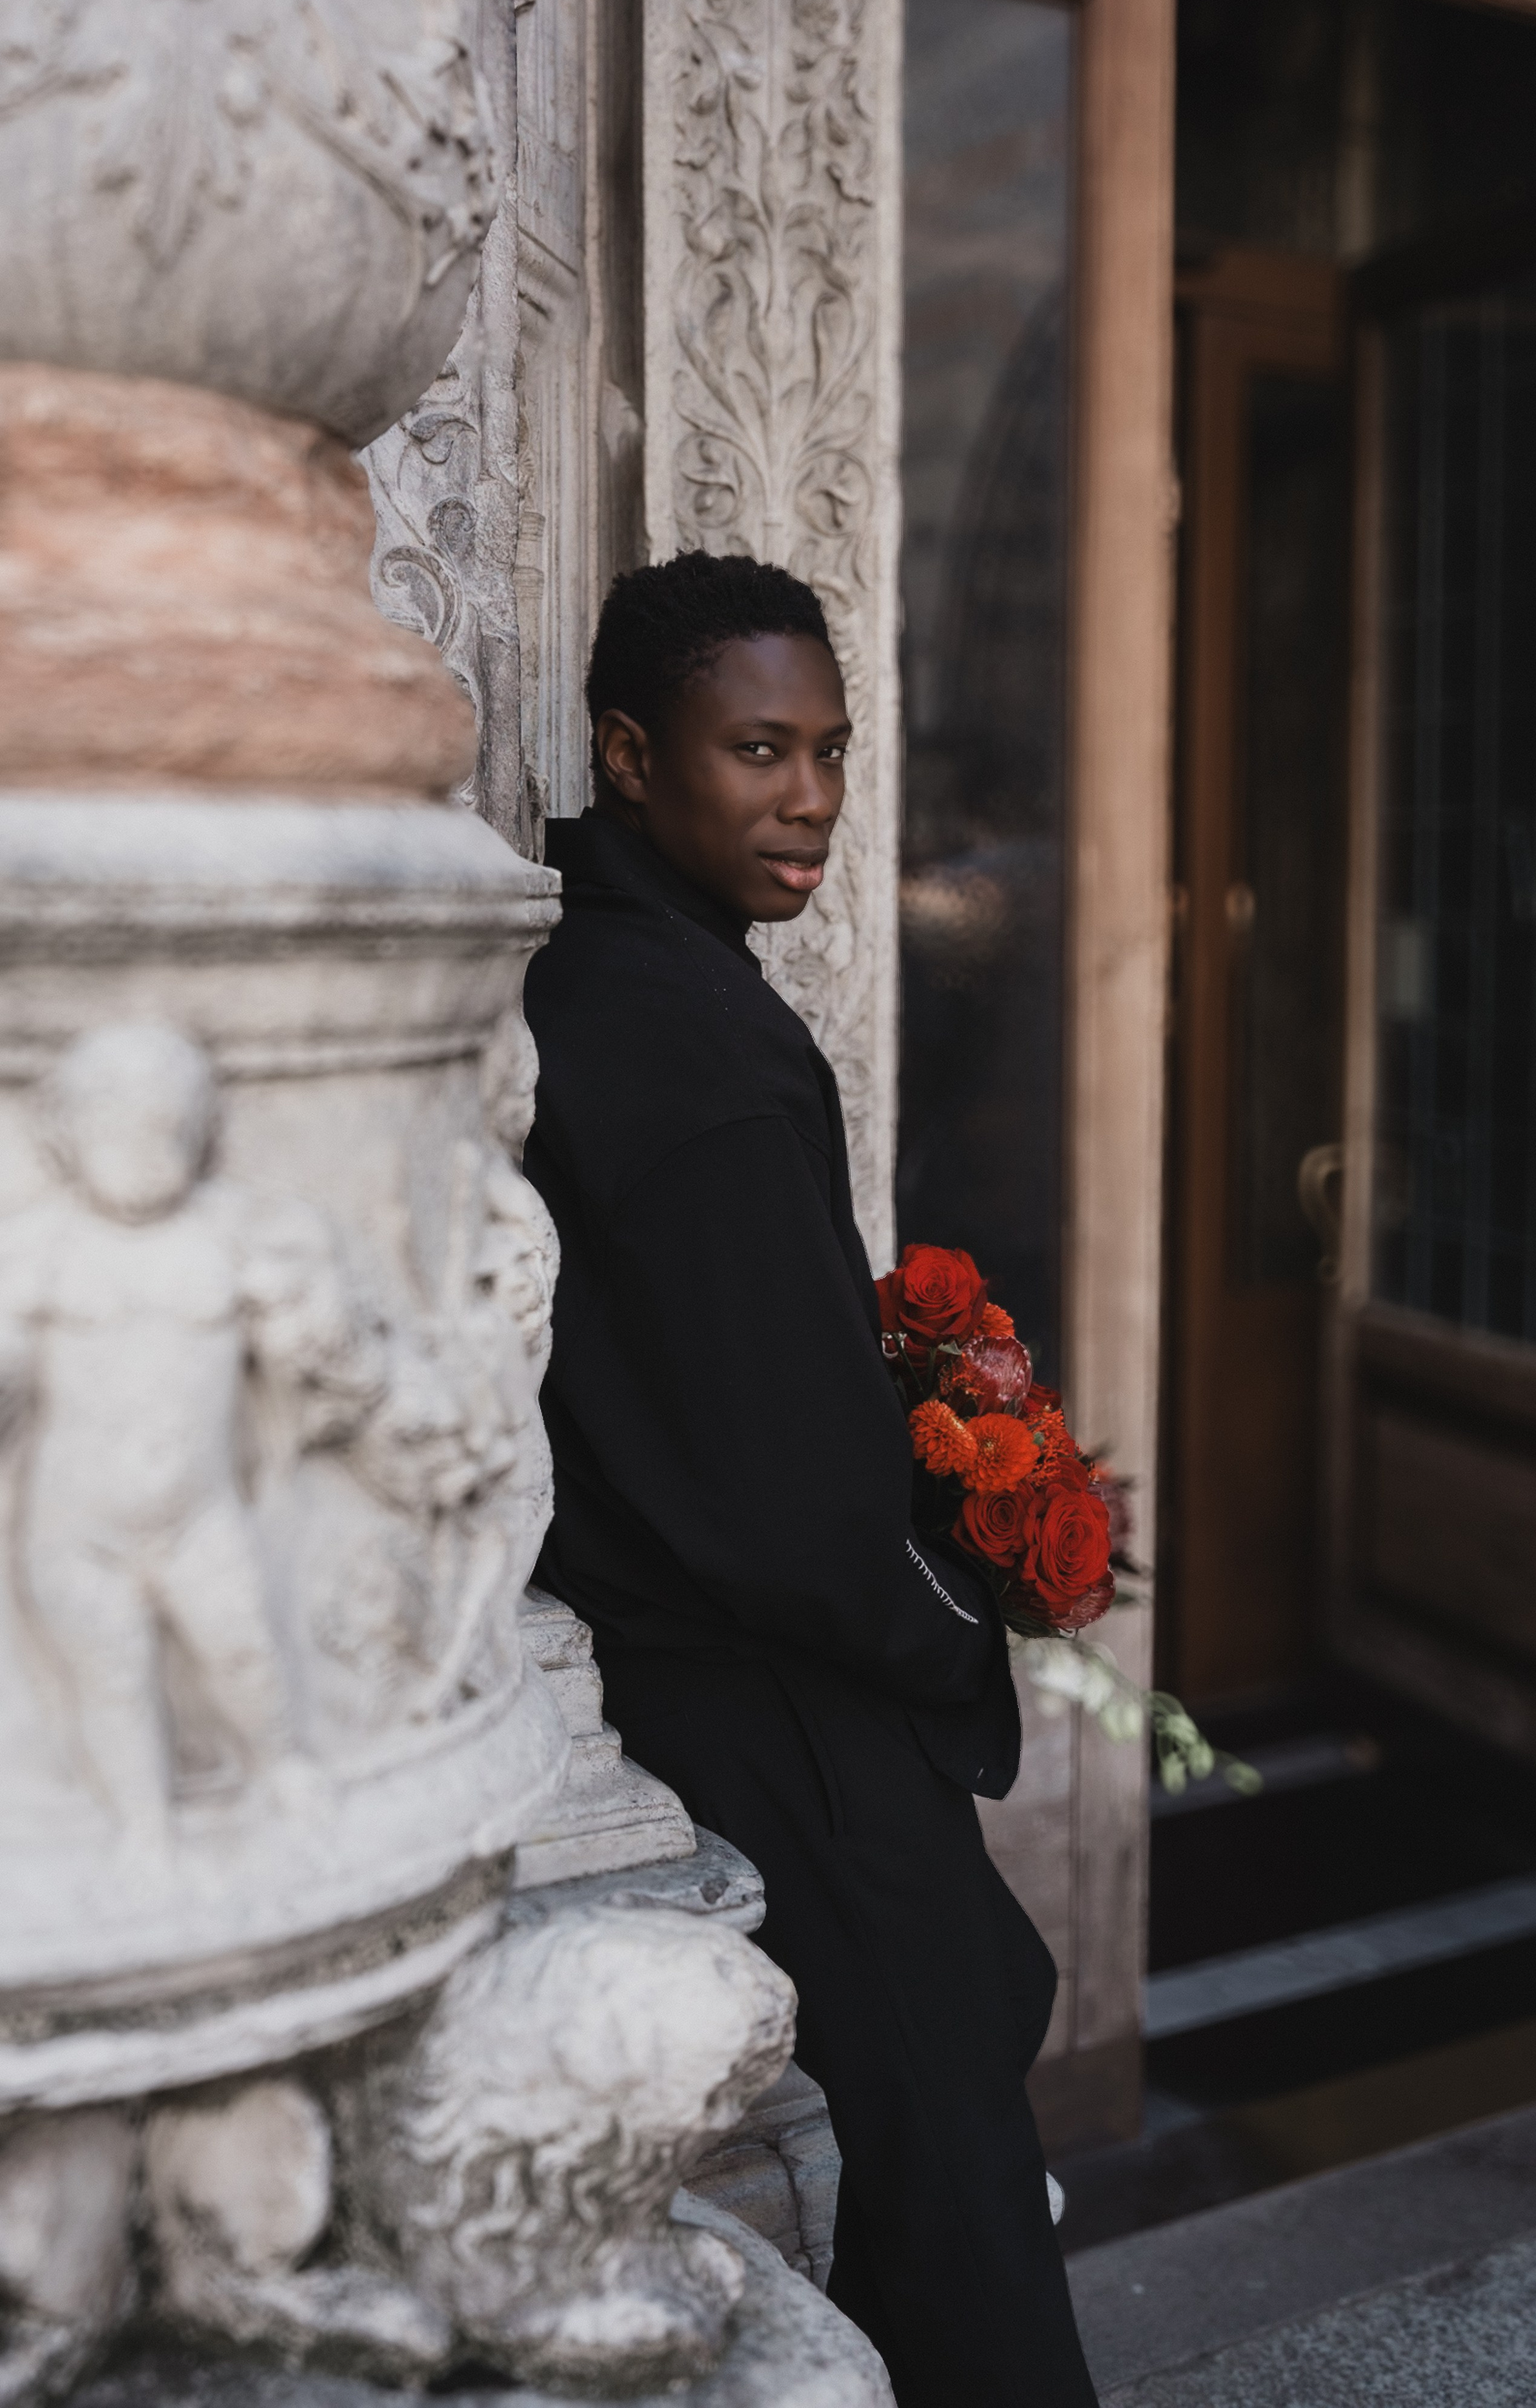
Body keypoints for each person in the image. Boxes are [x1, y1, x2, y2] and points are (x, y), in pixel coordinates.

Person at [520, 551, 1099, 2408]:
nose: (812, 799)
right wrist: (956, 1624)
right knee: (960, 2186)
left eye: (831, 750)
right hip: (773, 1689)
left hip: (729, 1660)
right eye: (757, 749)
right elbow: (784, 1493)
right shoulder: (680, 1032)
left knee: (965, 2062)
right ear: (631, 755)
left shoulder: (637, 976)